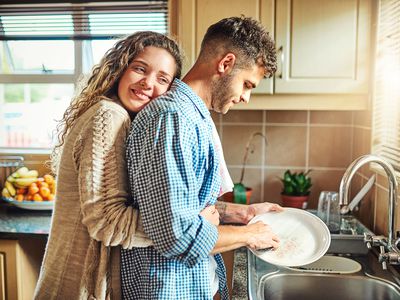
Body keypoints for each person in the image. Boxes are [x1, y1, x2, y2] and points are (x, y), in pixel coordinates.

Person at [121, 16, 281, 300]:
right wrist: (249, 234)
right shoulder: (171, 119)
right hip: (167, 289)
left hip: (193, 283)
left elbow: (185, 204)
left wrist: (241, 214)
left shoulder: (194, 116)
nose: (246, 97)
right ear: (225, 64)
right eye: (247, 84)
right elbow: (178, 236)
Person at [33, 31, 186, 300]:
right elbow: (107, 221)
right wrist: (180, 228)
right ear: (120, 68)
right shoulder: (109, 116)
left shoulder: (120, 116)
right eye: (140, 69)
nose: (148, 83)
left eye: (162, 79)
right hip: (75, 287)